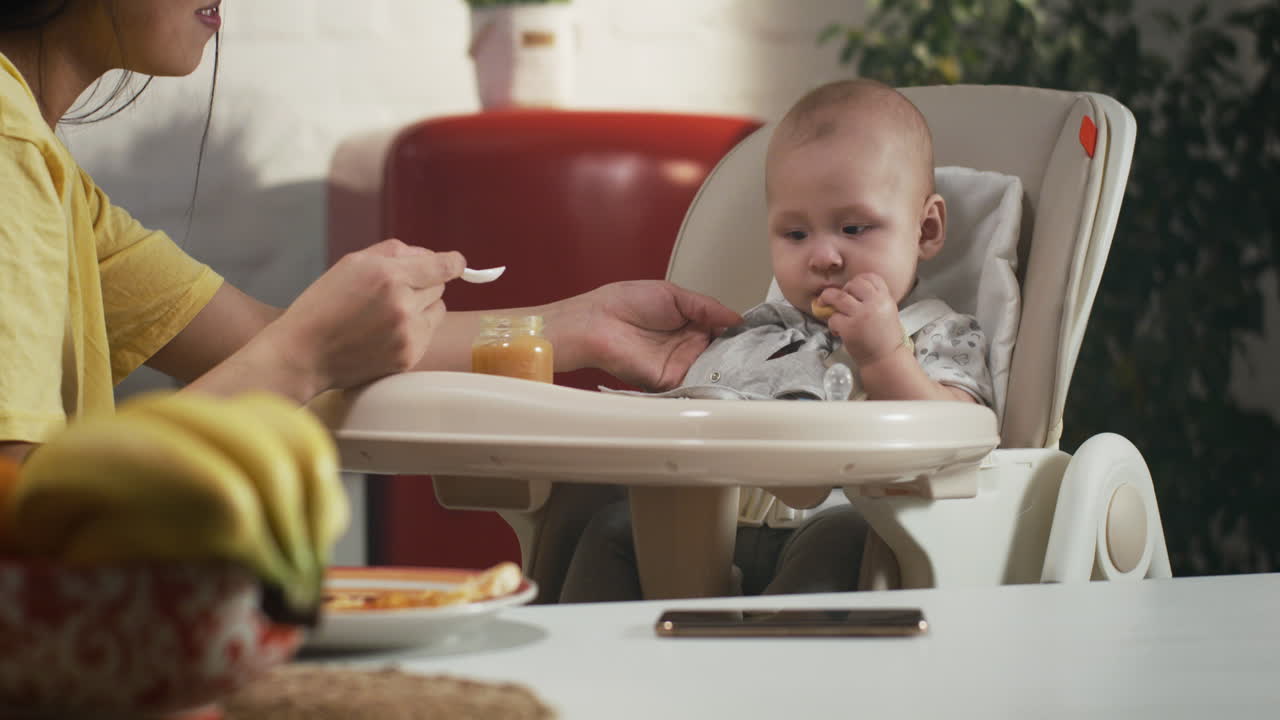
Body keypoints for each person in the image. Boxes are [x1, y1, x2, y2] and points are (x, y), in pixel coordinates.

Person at [0, 0, 742, 464]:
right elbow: (21, 523)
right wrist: (304, 357)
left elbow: (250, 336)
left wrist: (579, 327)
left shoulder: (48, 169)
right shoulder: (8, 147)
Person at [558, 78, 994, 602]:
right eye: (795, 234)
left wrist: (884, 356)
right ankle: (582, 668)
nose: (823, 256)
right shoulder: (759, 331)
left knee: (846, 541)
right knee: (613, 529)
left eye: (854, 228)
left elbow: (957, 433)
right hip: (712, 524)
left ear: (925, 231)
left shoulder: (941, 333)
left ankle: (777, 669)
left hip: (836, 520)